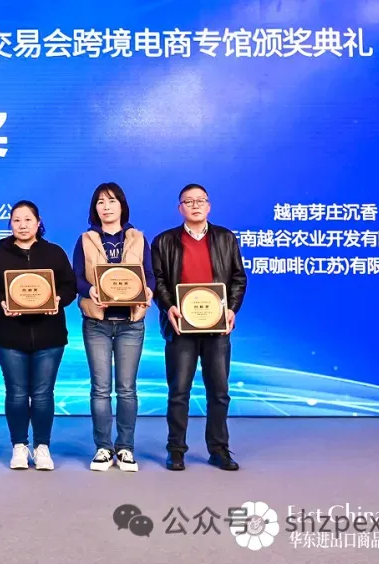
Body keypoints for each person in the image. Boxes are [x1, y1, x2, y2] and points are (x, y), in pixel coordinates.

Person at [151, 183, 247, 472]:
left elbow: (238, 278)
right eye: (188, 201)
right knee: (179, 391)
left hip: (217, 327)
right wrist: (168, 306)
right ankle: (176, 450)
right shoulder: (164, 241)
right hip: (181, 326)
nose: (195, 205)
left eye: (200, 200)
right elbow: (157, 280)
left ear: (209, 206)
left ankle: (219, 449)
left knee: (219, 391)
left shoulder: (226, 238)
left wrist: (231, 309)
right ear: (180, 208)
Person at [0, 200, 77, 471]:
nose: (22, 225)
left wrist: (57, 299)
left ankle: (42, 446)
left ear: (38, 222)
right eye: (16, 220)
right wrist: (2, 302)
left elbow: (70, 286)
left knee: (43, 393)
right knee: (16, 393)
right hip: (9, 336)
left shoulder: (54, 253)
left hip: (49, 335)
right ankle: (19, 446)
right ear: (10, 224)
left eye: (27, 220)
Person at [72, 182, 156, 473]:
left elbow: (149, 275)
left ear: (122, 205)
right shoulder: (85, 239)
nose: (106, 207)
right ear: (94, 208)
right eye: (100, 202)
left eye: (111, 201)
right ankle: (103, 448)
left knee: (127, 389)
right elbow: (77, 277)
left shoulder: (138, 238)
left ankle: (126, 448)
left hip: (130, 323)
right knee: (100, 389)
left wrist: (148, 290)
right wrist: (90, 289)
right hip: (97, 323)